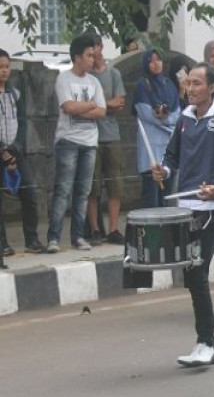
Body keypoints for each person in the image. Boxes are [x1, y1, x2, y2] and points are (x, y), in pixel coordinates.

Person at [152, 63, 214, 367]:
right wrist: (163, 171)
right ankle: (205, 342)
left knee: (197, 271)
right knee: (191, 275)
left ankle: (206, 342)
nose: (190, 88)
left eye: (197, 83)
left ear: (211, 88)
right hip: (185, 206)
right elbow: (171, 157)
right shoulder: (183, 118)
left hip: (210, 208)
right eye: (188, 83)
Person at [46, 34, 107, 253]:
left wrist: (85, 107)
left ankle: (78, 237)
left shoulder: (94, 82)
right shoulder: (64, 79)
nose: (93, 59)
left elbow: (102, 111)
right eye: (89, 55)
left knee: (83, 191)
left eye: (94, 55)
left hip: (90, 143)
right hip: (68, 141)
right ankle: (53, 238)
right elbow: (68, 108)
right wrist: (89, 105)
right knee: (63, 190)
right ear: (77, 57)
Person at [0, 49, 44, 255]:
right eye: (0, 67)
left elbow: (23, 123)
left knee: (29, 193)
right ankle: (3, 244)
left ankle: (32, 239)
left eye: (6, 67)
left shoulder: (15, 94)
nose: (4, 71)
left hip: (15, 151)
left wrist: (14, 147)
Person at [86, 34, 126, 245]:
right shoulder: (86, 76)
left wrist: (100, 106)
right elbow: (85, 106)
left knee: (115, 184)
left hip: (112, 135)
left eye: (95, 48)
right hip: (91, 136)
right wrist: (104, 106)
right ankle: (94, 229)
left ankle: (113, 229)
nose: (93, 53)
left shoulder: (114, 73)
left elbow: (120, 102)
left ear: (101, 48)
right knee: (92, 186)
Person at [132, 49, 181, 208]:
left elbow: (177, 112)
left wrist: (166, 118)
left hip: (168, 143)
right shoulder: (142, 85)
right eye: (151, 60)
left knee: (167, 196)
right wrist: (167, 121)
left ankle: (166, 232)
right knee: (151, 196)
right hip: (150, 145)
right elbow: (145, 113)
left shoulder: (169, 84)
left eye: (158, 59)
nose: (156, 63)